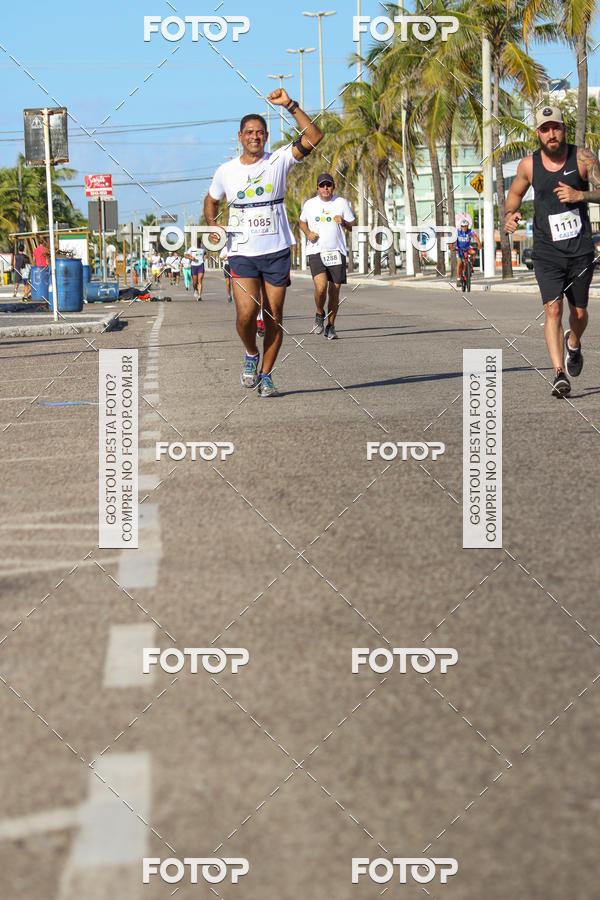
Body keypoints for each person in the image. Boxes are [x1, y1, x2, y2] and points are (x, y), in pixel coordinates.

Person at [204, 90, 322, 397]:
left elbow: (314, 136)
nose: (255, 137)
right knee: (246, 314)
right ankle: (251, 354)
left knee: (274, 317)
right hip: (242, 251)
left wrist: (290, 105)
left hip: (277, 251)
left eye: (260, 133)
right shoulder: (226, 171)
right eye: (249, 133)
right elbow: (211, 199)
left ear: (266, 136)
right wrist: (212, 223)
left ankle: (266, 375)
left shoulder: (279, 160)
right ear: (240, 137)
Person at [505, 105, 599, 397]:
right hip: (547, 251)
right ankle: (559, 373)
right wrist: (510, 214)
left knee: (580, 313)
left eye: (555, 127)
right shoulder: (529, 165)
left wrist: (580, 194)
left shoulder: (583, 158)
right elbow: (515, 195)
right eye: (545, 129)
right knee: (553, 308)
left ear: (563, 129)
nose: (551, 133)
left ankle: (574, 344)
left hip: (580, 248)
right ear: (538, 133)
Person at [299, 173, 356, 340]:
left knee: (335, 291)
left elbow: (353, 225)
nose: (326, 188)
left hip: (337, 251)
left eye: (328, 185)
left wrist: (344, 223)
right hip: (316, 250)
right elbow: (302, 221)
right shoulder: (310, 204)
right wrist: (308, 233)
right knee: (321, 286)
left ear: (333, 187)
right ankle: (319, 313)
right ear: (317, 187)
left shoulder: (341, 203)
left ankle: (330, 325)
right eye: (322, 185)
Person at [451, 219, 480, 286]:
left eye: (465, 226)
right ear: (460, 227)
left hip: (467, 248)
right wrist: (452, 246)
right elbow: (453, 239)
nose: (464, 228)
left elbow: (476, 238)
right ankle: (458, 279)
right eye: (462, 226)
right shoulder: (457, 232)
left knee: (474, 252)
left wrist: (479, 245)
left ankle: (471, 265)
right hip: (459, 249)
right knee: (459, 263)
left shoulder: (470, 231)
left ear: (467, 226)